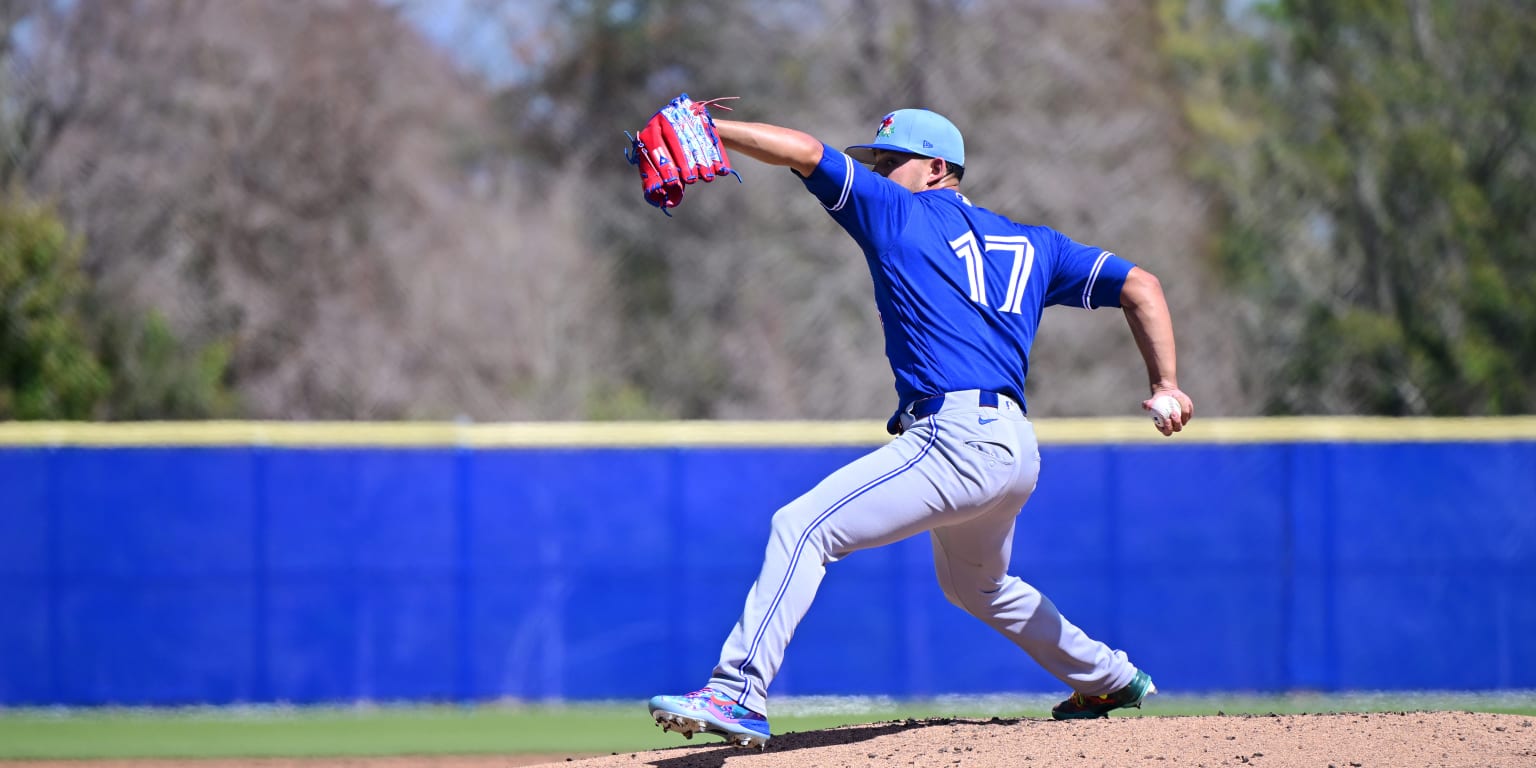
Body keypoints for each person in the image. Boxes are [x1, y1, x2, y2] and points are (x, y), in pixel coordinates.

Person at [646, 106, 1194, 748]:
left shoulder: (896, 211)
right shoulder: (1036, 245)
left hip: (956, 438)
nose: (877, 171)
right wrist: (1166, 383)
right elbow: (1142, 284)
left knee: (802, 528)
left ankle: (736, 691)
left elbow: (801, 149)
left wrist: (715, 131)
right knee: (975, 584)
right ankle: (1108, 676)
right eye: (876, 163)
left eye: (889, 160)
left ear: (938, 168)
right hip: (1015, 450)